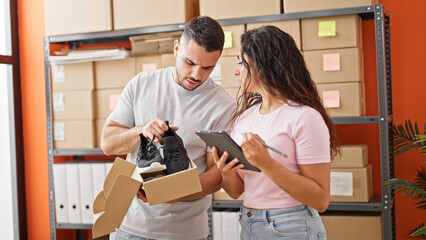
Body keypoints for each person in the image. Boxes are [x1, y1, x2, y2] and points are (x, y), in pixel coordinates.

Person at [101, 16, 236, 240]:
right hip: (129, 228)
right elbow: (108, 142)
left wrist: (172, 192)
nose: (197, 75)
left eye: (207, 67)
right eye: (190, 63)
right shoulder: (141, 84)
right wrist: (142, 131)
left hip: (184, 233)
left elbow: (217, 174)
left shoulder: (222, 106)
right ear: (176, 49)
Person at [213, 26, 340, 239]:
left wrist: (267, 164)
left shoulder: (305, 117)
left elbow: (320, 199)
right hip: (249, 222)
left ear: (260, 66)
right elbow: (236, 191)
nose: (236, 71)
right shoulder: (244, 118)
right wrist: (225, 172)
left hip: (292, 225)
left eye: (240, 62)